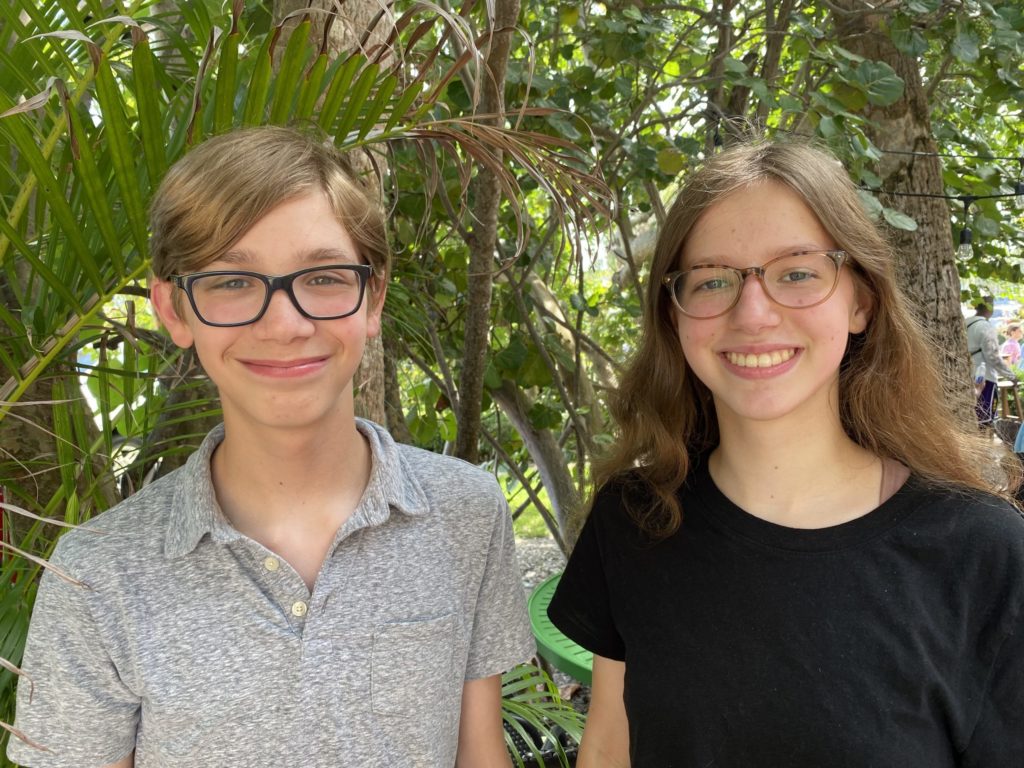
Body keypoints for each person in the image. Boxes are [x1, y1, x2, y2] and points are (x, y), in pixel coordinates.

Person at [8, 126, 534, 768]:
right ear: (174, 311)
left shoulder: (467, 514)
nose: (285, 324)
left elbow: (480, 756)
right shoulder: (96, 575)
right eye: (232, 282)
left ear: (374, 297)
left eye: (324, 277)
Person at [548, 139, 1024, 767]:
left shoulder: (978, 550)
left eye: (797, 272)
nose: (753, 312)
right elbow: (610, 745)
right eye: (713, 280)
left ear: (861, 300)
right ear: (675, 316)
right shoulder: (634, 520)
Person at [966, 300, 1015, 426]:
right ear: (990, 308)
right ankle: (981, 445)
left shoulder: (964, 323)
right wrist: (1011, 376)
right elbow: (993, 357)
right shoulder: (985, 327)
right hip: (984, 377)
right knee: (983, 420)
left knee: (970, 417)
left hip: (965, 374)